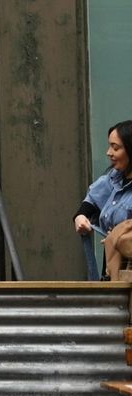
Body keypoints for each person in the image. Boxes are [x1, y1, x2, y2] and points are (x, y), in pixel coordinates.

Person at [75, 119, 132, 277]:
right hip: (112, 271)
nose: (109, 153)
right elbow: (92, 201)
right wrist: (81, 217)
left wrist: (119, 237)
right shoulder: (113, 179)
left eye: (116, 148)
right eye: (110, 146)